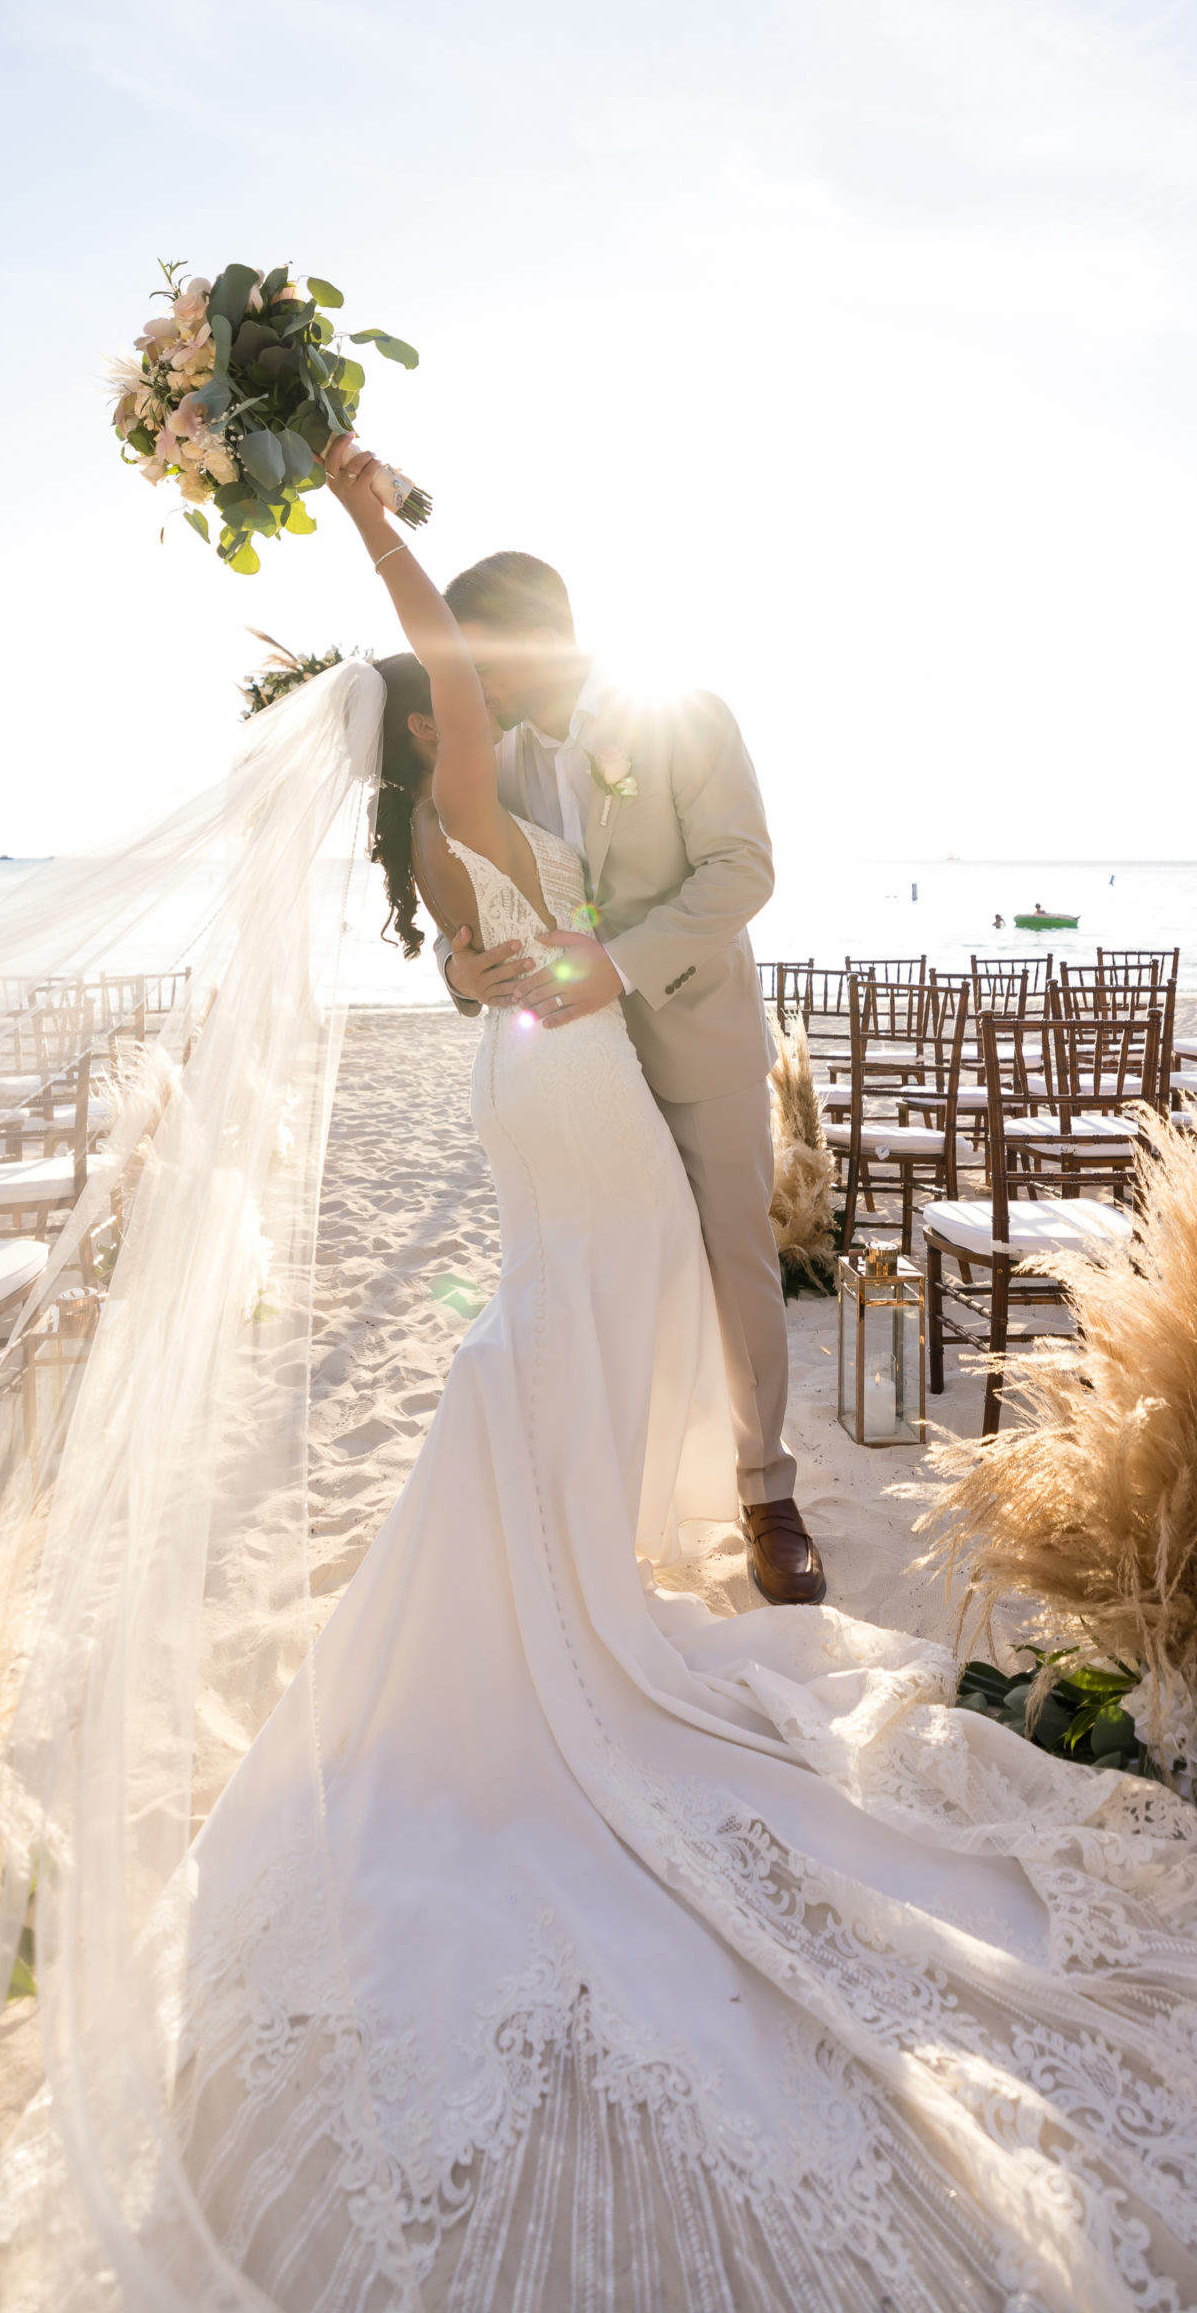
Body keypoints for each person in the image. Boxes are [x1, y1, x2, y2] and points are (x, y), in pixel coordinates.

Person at [0, 440, 1197, 2310]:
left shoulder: (442, 837)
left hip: (539, 1085)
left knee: (557, 1330)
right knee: (579, 1317)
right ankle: (608, 1587)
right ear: (438, 699)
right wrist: (359, 512)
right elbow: (438, 657)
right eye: (452, 681)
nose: (470, 688)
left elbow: (488, 914)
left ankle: (617, 1557)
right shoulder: (478, 778)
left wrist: (502, 854)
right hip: (573, 1090)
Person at [427, 548, 820, 1609]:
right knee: (602, 1267)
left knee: (733, 1262)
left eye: (484, 666)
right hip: (580, 1068)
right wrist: (459, 970)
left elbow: (743, 866)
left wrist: (620, 962)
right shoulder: (504, 757)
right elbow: (474, 895)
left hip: (695, 1040)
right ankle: (625, 1493)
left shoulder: (681, 713)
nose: (478, 690)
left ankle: (765, 1492)